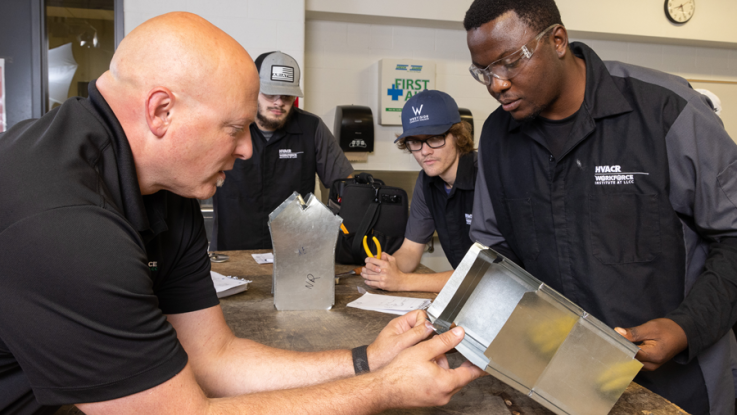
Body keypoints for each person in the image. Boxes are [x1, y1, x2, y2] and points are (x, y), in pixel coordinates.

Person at [0, 12, 485, 415]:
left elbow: (214, 357)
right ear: (161, 111)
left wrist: (369, 359)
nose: (250, 149)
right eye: (235, 128)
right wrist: (386, 389)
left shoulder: (170, 194)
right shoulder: (64, 220)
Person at [463, 1, 737, 414]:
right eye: (485, 71)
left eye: (509, 63)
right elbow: (496, 250)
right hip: (561, 383)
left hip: (678, 384)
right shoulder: (499, 137)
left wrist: (686, 327)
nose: (496, 84)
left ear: (557, 40)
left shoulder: (666, 112)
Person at [211, 51, 354, 250]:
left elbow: (347, 186)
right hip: (233, 252)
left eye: (286, 96)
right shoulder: (227, 125)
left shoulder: (311, 128)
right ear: (253, 89)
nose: (279, 102)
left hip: (296, 253)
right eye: (270, 94)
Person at [361, 90, 476, 292]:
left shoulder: (488, 177)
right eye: (415, 141)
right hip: (468, 295)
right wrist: (388, 267)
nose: (424, 151)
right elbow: (410, 250)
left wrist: (402, 282)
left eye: (435, 138)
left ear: (457, 136)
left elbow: (487, 274)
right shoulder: (427, 181)